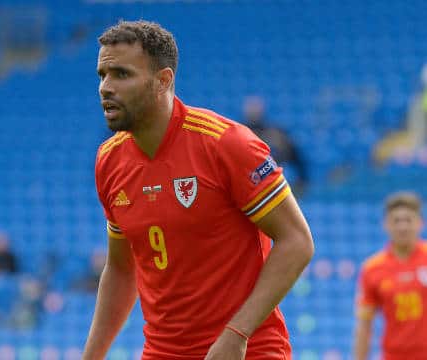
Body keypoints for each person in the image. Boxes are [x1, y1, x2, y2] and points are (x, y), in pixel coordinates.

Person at [83, 21, 314, 360]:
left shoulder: (225, 144)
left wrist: (237, 333)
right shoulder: (109, 161)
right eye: (102, 74)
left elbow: (297, 241)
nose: (105, 87)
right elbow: (121, 268)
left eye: (122, 74)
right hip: (163, 352)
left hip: (247, 350)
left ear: (163, 80)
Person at [353, 192, 427, 360]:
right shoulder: (372, 268)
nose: (403, 226)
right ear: (386, 225)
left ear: (420, 223)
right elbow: (364, 325)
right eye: (396, 221)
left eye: (408, 220)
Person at [243, 96, 308, 194]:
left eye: (256, 108)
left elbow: (295, 156)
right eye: (251, 108)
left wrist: (302, 181)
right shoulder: (240, 134)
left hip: (272, 180)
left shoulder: (274, 132)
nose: (253, 111)